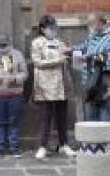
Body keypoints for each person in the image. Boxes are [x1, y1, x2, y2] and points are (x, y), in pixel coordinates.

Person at [31, 14, 76, 160]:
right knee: (45, 116)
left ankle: (63, 144)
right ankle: (43, 146)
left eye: (54, 27)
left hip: (62, 84)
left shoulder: (60, 42)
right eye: (50, 27)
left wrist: (71, 55)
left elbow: (66, 61)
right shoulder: (37, 43)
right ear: (43, 29)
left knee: (62, 116)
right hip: (45, 84)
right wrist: (58, 60)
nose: (53, 30)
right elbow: (37, 62)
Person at [77, 13, 110, 149]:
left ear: (101, 23)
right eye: (88, 23)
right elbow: (82, 48)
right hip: (91, 85)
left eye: (92, 23)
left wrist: (92, 58)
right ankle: (92, 149)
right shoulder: (92, 37)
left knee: (106, 119)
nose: (89, 26)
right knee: (91, 118)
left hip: (104, 86)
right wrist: (70, 50)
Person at [0, 33, 28, 158]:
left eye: (5, 42)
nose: (3, 45)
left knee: (13, 122)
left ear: (9, 41)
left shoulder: (17, 55)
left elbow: (25, 73)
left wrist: (14, 79)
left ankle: (14, 147)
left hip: (15, 94)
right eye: (0, 42)